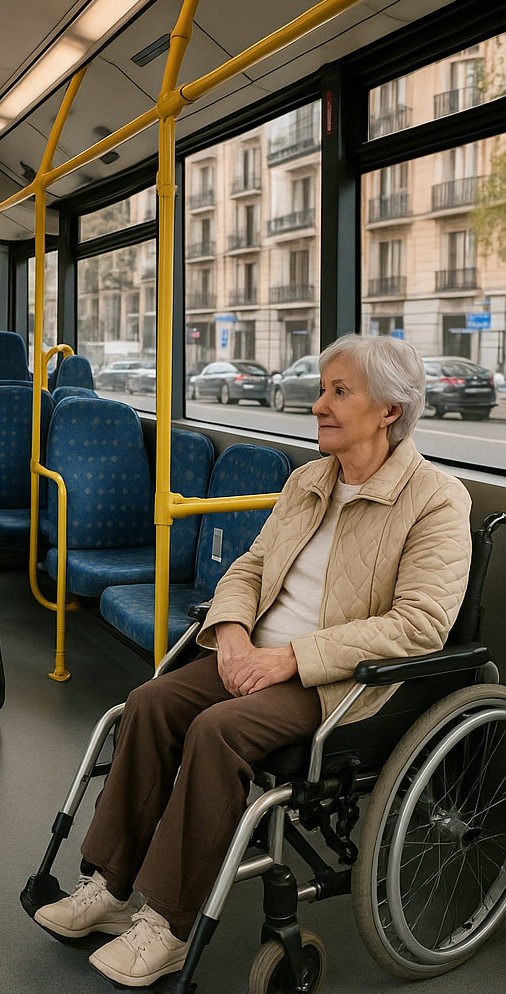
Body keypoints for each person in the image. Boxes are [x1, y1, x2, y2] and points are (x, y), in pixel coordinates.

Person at [34, 333, 472, 987]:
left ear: (388, 409)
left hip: (340, 683)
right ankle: (110, 885)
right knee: (150, 702)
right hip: (257, 652)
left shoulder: (436, 498)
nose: (318, 404)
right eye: (322, 389)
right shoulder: (308, 480)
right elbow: (252, 566)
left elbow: (419, 625)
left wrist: (291, 658)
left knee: (216, 730)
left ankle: (170, 925)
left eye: (338, 391)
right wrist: (233, 631)